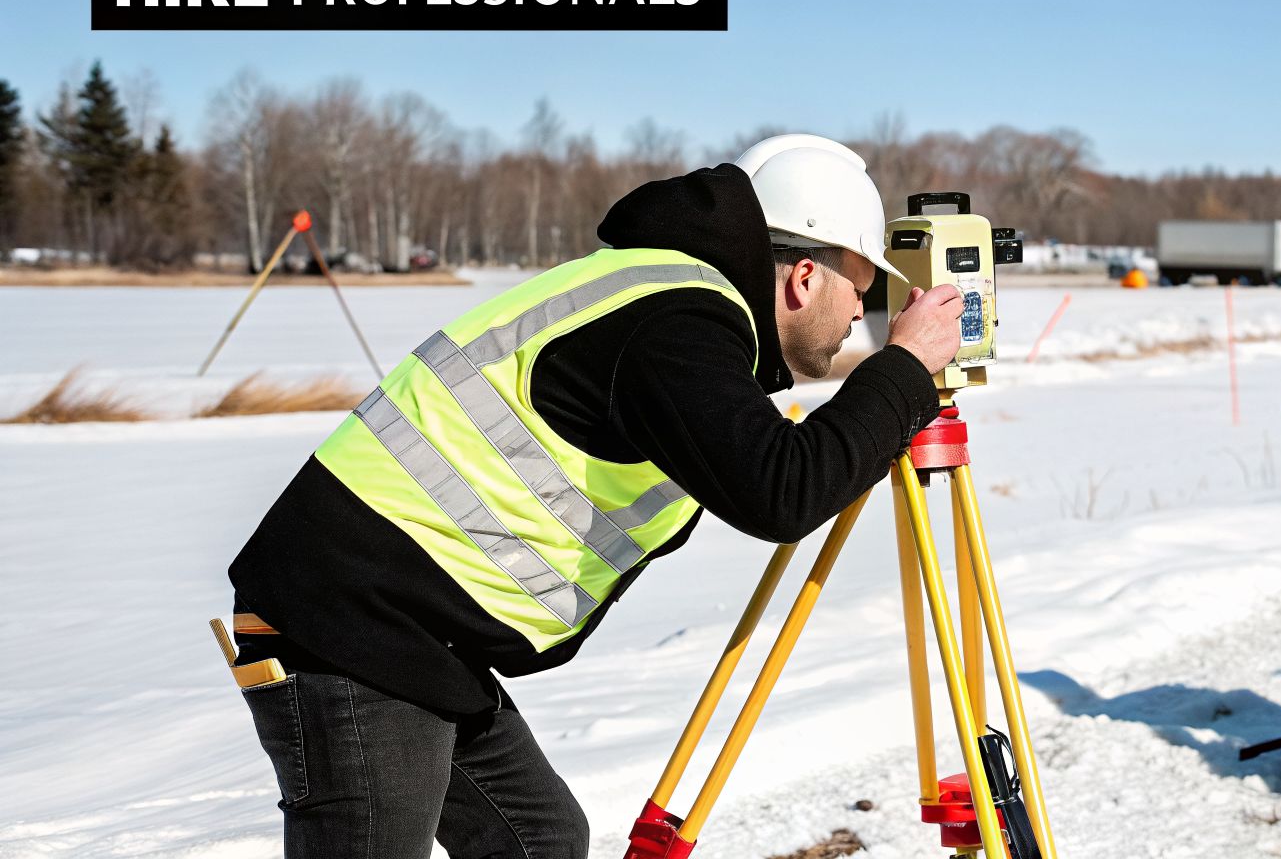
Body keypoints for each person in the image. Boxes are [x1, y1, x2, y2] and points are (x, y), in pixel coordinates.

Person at [225, 134, 964, 858]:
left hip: (412, 628)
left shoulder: (663, 293)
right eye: (862, 297)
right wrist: (903, 369)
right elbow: (783, 491)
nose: (859, 323)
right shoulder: (679, 318)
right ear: (805, 277)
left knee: (540, 839)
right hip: (353, 619)